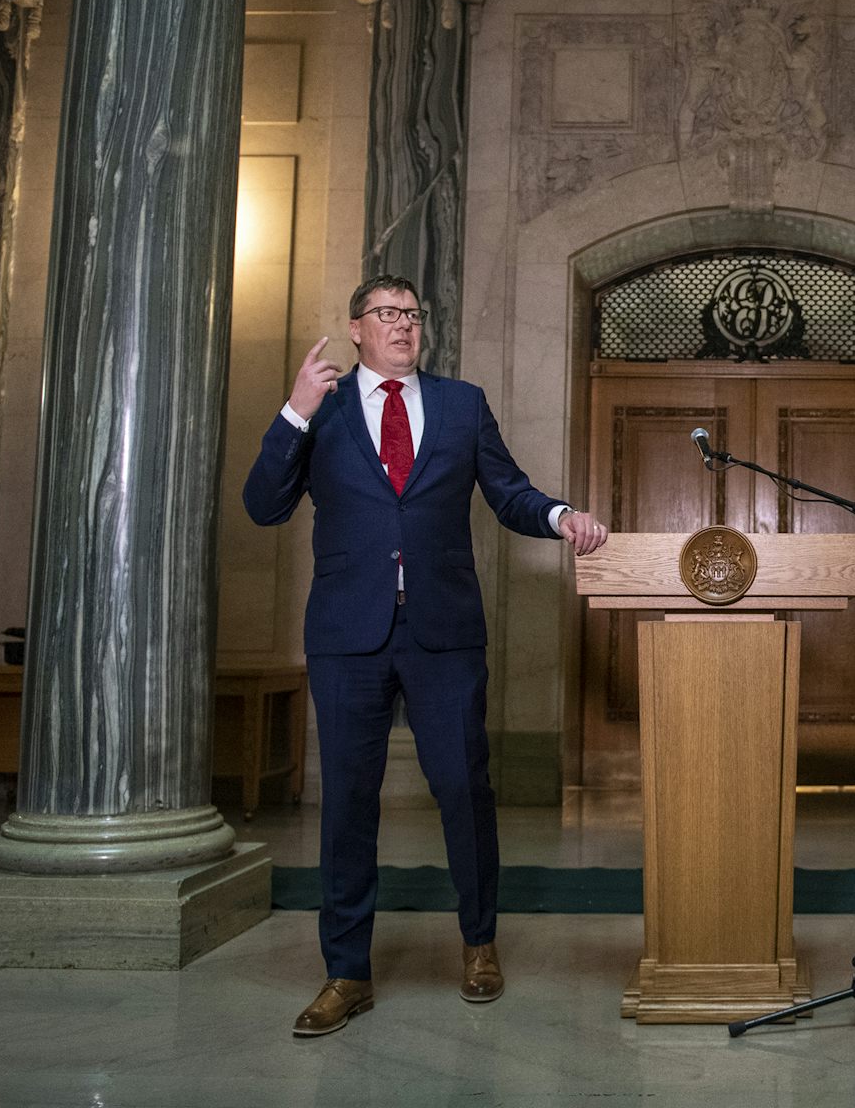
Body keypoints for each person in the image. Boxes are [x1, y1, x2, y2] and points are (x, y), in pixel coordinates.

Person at [243, 274, 608, 1035]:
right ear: (356, 329)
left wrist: (562, 516)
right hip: (348, 636)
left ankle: (478, 945)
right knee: (347, 802)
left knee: (464, 791)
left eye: (413, 314)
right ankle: (346, 972)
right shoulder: (329, 410)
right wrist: (294, 412)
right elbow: (263, 505)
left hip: (443, 633)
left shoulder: (461, 404)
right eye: (387, 314)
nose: (404, 326)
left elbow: (508, 492)